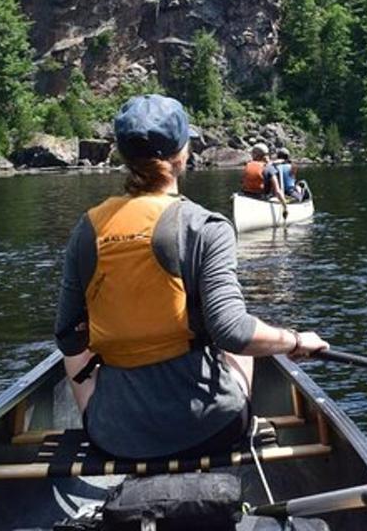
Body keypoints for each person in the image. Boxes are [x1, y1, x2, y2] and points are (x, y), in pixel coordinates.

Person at [54, 95, 328, 460]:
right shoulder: (206, 227)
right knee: (234, 340)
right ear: (181, 156)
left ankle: (102, 415)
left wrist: (95, 409)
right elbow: (234, 332)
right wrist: (294, 340)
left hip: (114, 435)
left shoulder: (86, 231)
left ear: (123, 156)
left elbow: (69, 340)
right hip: (210, 427)